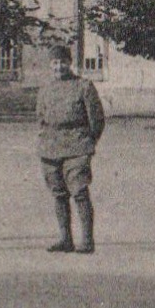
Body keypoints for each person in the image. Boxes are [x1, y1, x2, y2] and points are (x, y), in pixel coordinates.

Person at [36, 43, 105, 254]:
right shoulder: (45, 89)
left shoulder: (84, 86)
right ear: (50, 65)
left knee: (79, 191)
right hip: (50, 147)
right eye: (55, 63)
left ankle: (87, 241)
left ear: (70, 63)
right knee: (58, 193)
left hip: (77, 146)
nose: (59, 67)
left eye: (63, 62)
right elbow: (40, 117)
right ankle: (65, 239)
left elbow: (97, 120)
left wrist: (87, 143)